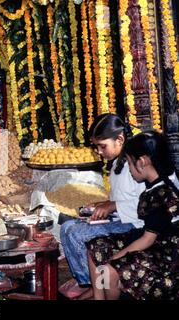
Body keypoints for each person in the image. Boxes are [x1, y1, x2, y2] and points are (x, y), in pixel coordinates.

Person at [59, 114, 146, 299]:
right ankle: (87, 281)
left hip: (134, 224)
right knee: (66, 226)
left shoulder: (137, 164)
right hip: (120, 218)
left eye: (102, 146)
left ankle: (91, 285)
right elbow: (121, 197)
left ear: (120, 139)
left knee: (77, 233)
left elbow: (145, 202)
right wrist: (102, 205)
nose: (99, 151)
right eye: (96, 147)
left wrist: (113, 206)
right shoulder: (116, 163)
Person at [87, 131, 179, 300]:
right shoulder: (151, 186)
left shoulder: (163, 193)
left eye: (129, 163)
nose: (129, 169)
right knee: (96, 245)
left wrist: (115, 258)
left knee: (108, 271)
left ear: (142, 162)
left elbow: (148, 240)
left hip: (164, 253)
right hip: (150, 240)